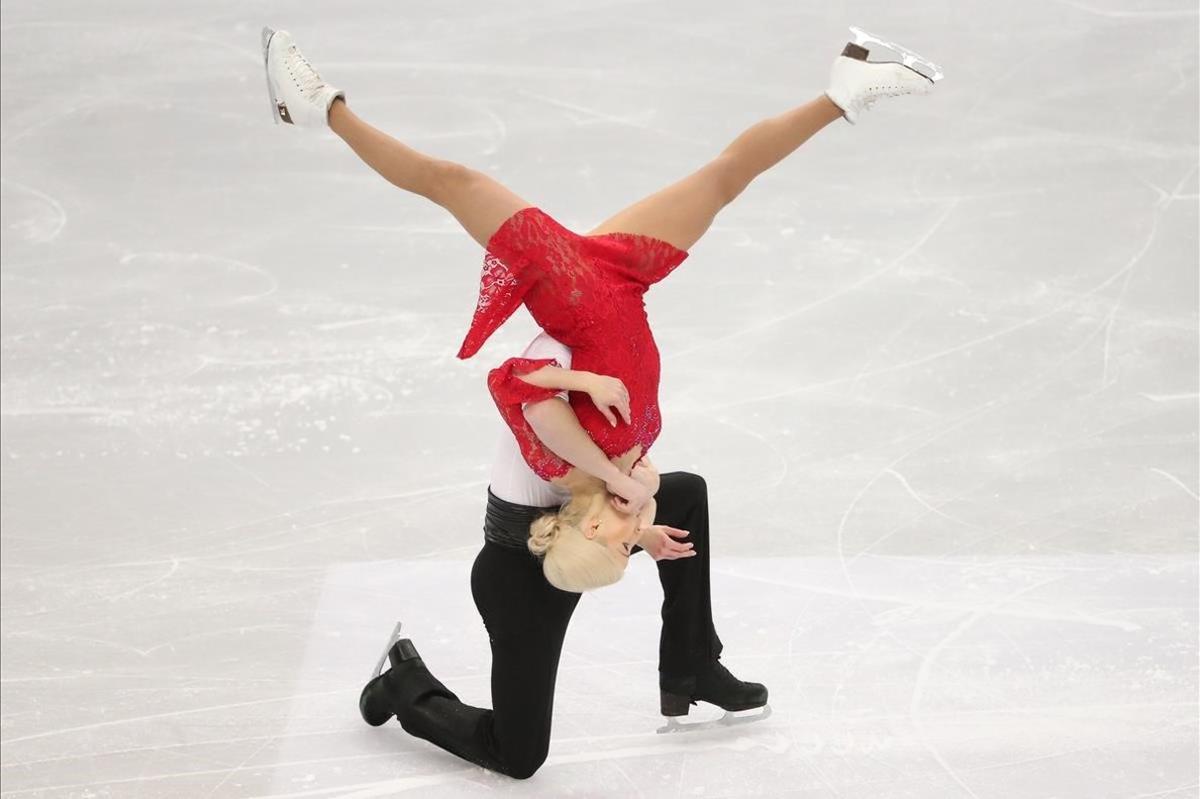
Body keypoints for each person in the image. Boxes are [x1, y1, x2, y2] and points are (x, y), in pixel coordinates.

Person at [259, 24, 939, 778]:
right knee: (519, 754)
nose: (635, 525)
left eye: (618, 531)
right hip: (616, 293)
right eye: (629, 538)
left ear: (586, 512)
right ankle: (405, 681)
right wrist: (637, 515)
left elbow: (514, 385)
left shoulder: (568, 444)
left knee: (450, 179)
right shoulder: (620, 470)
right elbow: (628, 501)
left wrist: (592, 408)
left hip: (572, 291)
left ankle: (317, 106)